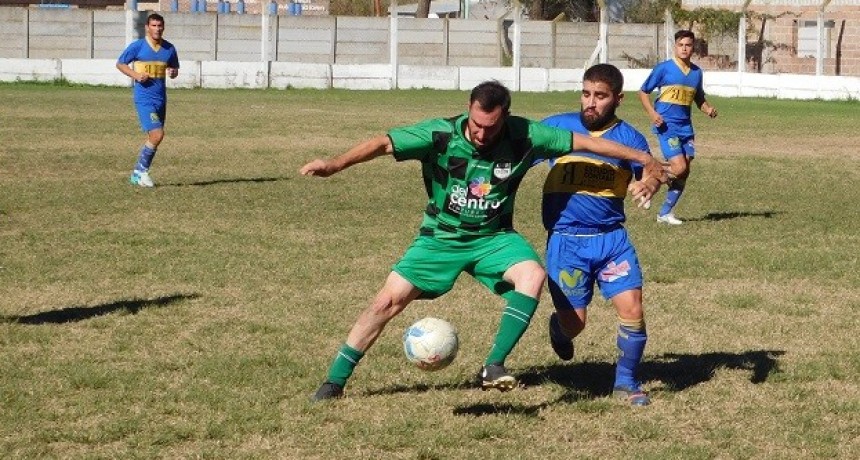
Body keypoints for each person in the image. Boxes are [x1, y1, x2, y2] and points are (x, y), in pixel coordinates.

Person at [301, 80, 665, 401]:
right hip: (441, 237)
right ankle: (335, 381)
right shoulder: (440, 134)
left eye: (490, 127)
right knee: (385, 302)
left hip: (495, 237)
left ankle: (493, 365)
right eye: (476, 124)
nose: (480, 133)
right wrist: (334, 165)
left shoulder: (525, 135)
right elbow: (383, 144)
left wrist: (643, 158)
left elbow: (586, 143)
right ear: (469, 109)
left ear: (505, 116)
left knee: (533, 275)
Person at [541, 64, 661, 406]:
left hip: (611, 240)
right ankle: (559, 328)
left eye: (600, 96)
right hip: (566, 241)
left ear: (618, 99)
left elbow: (652, 171)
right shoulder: (556, 127)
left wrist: (649, 185)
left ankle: (626, 382)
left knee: (633, 309)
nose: (590, 102)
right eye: (586, 94)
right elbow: (516, 152)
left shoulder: (630, 138)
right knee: (575, 325)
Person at [638, 29, 717, 225]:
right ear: (675, 46)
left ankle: (665, 213)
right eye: (680, 45)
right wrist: (653, 114)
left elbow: (699, 98)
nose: (684, 48)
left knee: (684, 171)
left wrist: (707, 109)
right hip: (667, 126)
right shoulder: (664, 69)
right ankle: (649, 174)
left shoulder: (696, 73)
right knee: (679, 167)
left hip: (686, 128)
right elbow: (643, 92)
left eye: (688, 45)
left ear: (693, 48)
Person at [116, 13, 180, 188]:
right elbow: (120, 63)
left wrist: (173, 72)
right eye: (154, 25)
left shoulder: (169, 49)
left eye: (160, 26)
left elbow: (174, 69)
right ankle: (142, 172)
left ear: (163, 27)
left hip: (161, 99)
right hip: (144, 99)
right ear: (147, 27)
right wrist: (136, 75)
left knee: (155, 136)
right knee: (157, 134)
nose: (157, 29)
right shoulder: (138, 46)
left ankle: (137, 174)